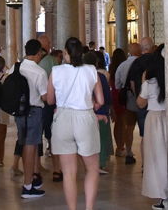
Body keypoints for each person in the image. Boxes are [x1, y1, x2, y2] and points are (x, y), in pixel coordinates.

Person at [47, 37, 106, 210]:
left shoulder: (56, 71)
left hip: (63, 119)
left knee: (69, 173)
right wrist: (91, 104)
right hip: (85, 118)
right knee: (92, 169)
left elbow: (50, 100)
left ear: (65, 52)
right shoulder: (91, 70)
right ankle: (89, 208)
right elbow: (101, 100)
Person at [13, 39, 49, 198]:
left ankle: (33, 178)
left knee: (26, 144)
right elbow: (46, 96)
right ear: (39, 52)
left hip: (19, 113)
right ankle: (27, 186)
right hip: (33, 112)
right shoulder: (39, 72)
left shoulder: (17, 67)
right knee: (30, 146)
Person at [138, 49, 168, 209]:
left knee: (157, 158)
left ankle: (163, 196)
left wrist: (144, 81)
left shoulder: (150, 83)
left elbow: (140, 103)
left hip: (155, 119)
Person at [36, 35, 62, 181]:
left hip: (36, 104)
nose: (51, 44)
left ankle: (36, 167)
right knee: (52, 136)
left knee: (36, 135)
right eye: (49, 42)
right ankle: (56, 169)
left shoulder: (30, 63)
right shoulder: (52, 61)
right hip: (49, 103)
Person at [84, 52, 113, 175]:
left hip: (85, 112)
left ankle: (88, 164)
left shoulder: (81, 75)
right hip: (100, 112)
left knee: (88, 139)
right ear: (96, 63)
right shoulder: (99, 76)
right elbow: (106, 96)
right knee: (101, 139)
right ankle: (100, 164)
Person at [113, 42, 140, 165]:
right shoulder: (141, 63)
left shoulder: (122, 65)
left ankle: (128, 152)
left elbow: (118, 84)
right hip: (142, 99)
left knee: (129, 127)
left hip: (128, 100)